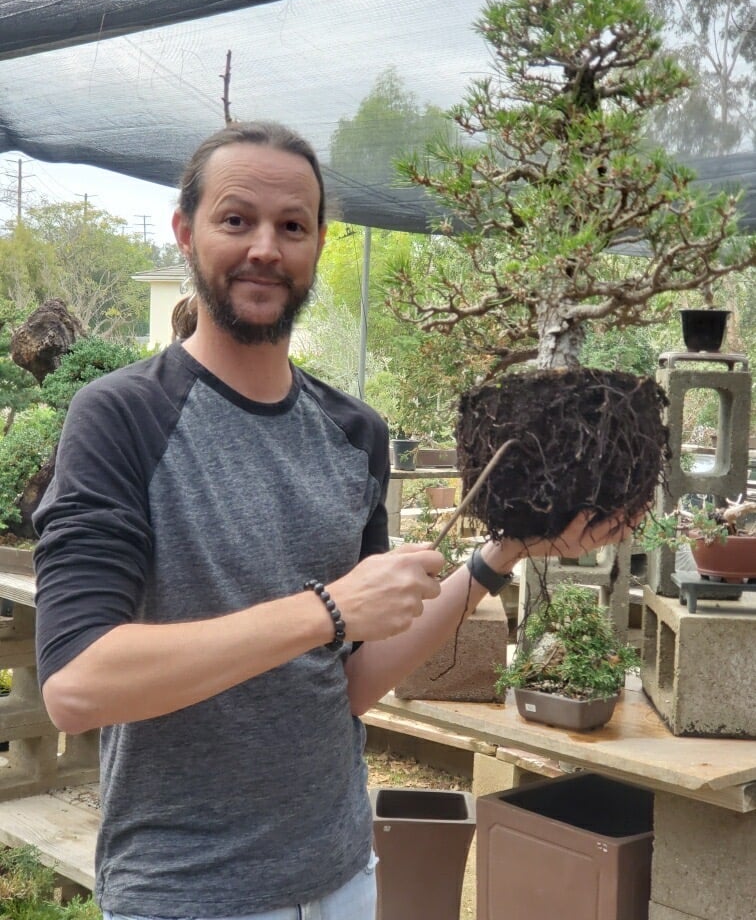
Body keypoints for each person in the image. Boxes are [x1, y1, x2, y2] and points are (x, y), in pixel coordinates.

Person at [34, 121, 635, 920]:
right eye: (236, 219)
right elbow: (76, 685)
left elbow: (347, 682)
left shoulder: (356, 433)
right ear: (186, 232)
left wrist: (504, 554)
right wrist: (326, 609)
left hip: (342, 876)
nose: (265, 249)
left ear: (319, 243)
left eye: (293, 226)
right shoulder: (120, 418)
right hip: (187, 892)